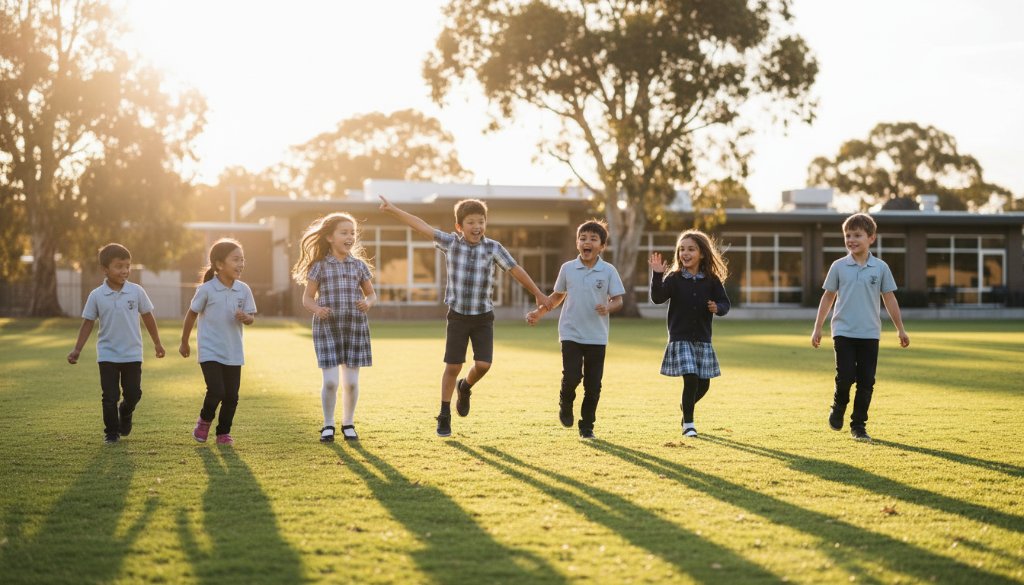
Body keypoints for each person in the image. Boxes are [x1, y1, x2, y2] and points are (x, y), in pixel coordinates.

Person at [379, 194, 552, 437]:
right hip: (458, 316)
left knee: (483, 364)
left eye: (481, 221)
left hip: (483, 317)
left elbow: (515, 269)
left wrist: (538, 294)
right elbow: (421, 226)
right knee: (453, 366)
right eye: (471, 222)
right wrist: (394, 209)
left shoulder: (493, 248)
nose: (477, 226)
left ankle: (466, 386)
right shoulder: (452, 243)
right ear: (459, 227)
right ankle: (444, 413)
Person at [811, 213, 910, 442]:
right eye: (848, 235)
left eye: (857, 235)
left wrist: (900, 329)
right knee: (845, 376)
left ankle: (858, 425)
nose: (851, 239)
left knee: (867, 381)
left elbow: (890, 299)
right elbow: (827, 298)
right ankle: (838, 406)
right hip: (843, 332)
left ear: (871, 238)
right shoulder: (838, 266)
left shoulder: (881, 268)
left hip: (870, 333)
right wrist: (818, 328)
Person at [526, 220, 625, 439]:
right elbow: (557, 296)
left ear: (602, 246)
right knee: (572, 376)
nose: (587, 242)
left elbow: (618, 300)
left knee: (593, 385)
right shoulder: (568, 268)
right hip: (570, 332)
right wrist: (539, 312)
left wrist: (608, 307)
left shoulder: (608, 271)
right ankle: (565, 401)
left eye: (593, 239)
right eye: (582, 238)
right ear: (577, 243)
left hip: (597, 336)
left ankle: (587, 425)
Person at [67, 243, 166, 443]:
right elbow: (88, 323)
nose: (125, 271)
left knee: (133, 393)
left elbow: (148, 317)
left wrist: (157, 343)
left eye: (128, 266)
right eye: (119, 266)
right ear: (105, 269)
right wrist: (77, 349)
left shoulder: (136, 291)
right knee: (109, 397)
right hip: (108, 354)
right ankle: (111, 433)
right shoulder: (96, 295)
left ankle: (126, 411)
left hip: (132, 354)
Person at [291, 212, 376, 443]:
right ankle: (328, 424)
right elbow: (307, 299)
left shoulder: (359, 266)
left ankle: (348, 423)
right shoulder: (319, 267)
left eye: (353, 233)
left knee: (351, 383)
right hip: (327, 328)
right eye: (344, 232)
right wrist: (317, 309)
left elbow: (371, 294)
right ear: (329, 237)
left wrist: (367, 303)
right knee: (330, 383)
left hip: (354, 327)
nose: (350, 237)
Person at [649, 229, 730, 438]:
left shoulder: (712, 280)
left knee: (704, 384)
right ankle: (689, 425)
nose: (685, 253)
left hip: (702, 339)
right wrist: (657, 275)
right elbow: (657, 298)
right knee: (691, 379)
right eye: (682, 249)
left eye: (691, 249)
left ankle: (685, 408)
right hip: (680, 337)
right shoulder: (674, 279)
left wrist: (717, 308)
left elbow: (725, 303)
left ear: (702, 253)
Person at [179, 238, 257, 446]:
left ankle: (223, 433)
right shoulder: (206, 289)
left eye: (242, 259)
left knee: (231, 396)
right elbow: (191, 314)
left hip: (233, 351)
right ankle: (204, 421)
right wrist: (184, 341)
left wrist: (246, 318)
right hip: (210, 350)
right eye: (235, 259)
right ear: (219, 264)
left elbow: (251, 318)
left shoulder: (244, 290)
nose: (241, 264)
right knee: (217, 391)